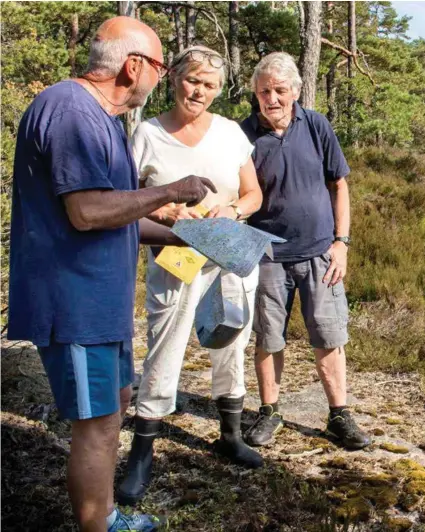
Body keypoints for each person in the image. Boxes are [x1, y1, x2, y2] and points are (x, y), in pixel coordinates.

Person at [7, 17, 217, 532]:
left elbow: (116, 214)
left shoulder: (102, 118)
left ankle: (107, 515)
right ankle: (97, 527)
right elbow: (87, 211)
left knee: (116, 403)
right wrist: (171, 191)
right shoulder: (70, 110)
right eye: (162, 66)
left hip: (102, 304)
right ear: (133, 66)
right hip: (74, 302)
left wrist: (193, 238)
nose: (162, 78)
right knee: (97, 425)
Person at [117, 45, 264, 507]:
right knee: (166, 343)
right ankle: (143, 448)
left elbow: (253, 193)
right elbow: (125, 196)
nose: (199, 91)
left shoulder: (230, 133)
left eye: (210, 85)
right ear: (175, 77)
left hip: (230, 254)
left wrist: (233, 208)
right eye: (192, 80)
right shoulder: (147, 133)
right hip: (174, 258)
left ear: (219, 91)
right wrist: (163, 208)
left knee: (232, 339)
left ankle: (231, 433)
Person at [240, 52, 371, 450]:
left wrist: (341, 243)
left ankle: (339, 415)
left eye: (280, 90)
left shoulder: (315, 125)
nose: (272, 98)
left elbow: (340, 185)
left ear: (296, 91)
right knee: (268, 337)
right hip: (267, 254)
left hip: (320, 254)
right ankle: (269, 411)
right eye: (265, 91)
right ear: (255, 93)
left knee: (329, 336)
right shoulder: (242, 135)